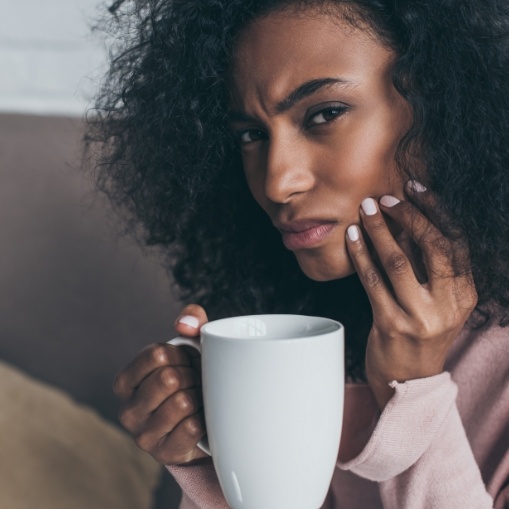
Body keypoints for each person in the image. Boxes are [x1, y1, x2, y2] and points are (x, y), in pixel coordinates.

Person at [88, 0, 509, 507]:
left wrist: (413, 392)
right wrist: (214, 454)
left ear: (441, 103)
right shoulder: (306, 323)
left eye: (324, 114)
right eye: (250, 135)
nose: (277, 181)